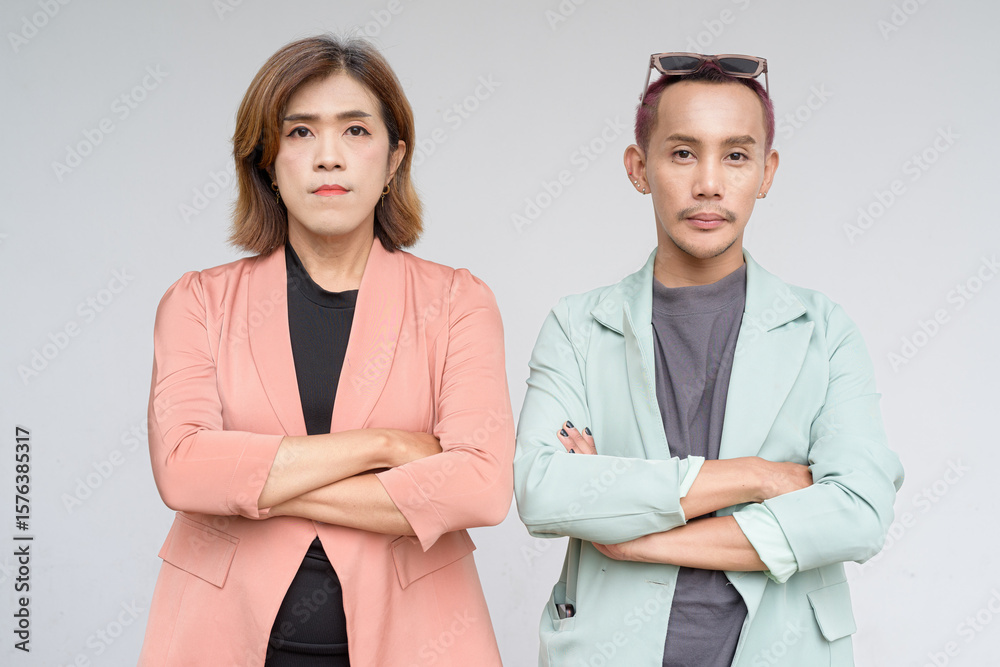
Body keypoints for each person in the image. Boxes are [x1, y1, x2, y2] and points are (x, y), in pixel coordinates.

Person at [513, 53, 904, 666]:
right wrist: (760, 475)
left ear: (767, 172)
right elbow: (543, 491)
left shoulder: (823, 331)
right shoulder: (577, 326)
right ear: (638, 168)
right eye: (683, 153)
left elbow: (859, 512)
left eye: (737, 155)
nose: (709, 184)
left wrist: (634, 538)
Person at [139, 35, 513, 666]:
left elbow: (480, 488)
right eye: (301, 132)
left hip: (417, 641)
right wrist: (385, 446)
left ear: (394, 160)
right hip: (221, 640)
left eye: (356, 131)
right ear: (266, 160)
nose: (329, 157)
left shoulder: (457, 302)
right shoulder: (198, 302)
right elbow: (182, 469)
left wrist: (246, 482)